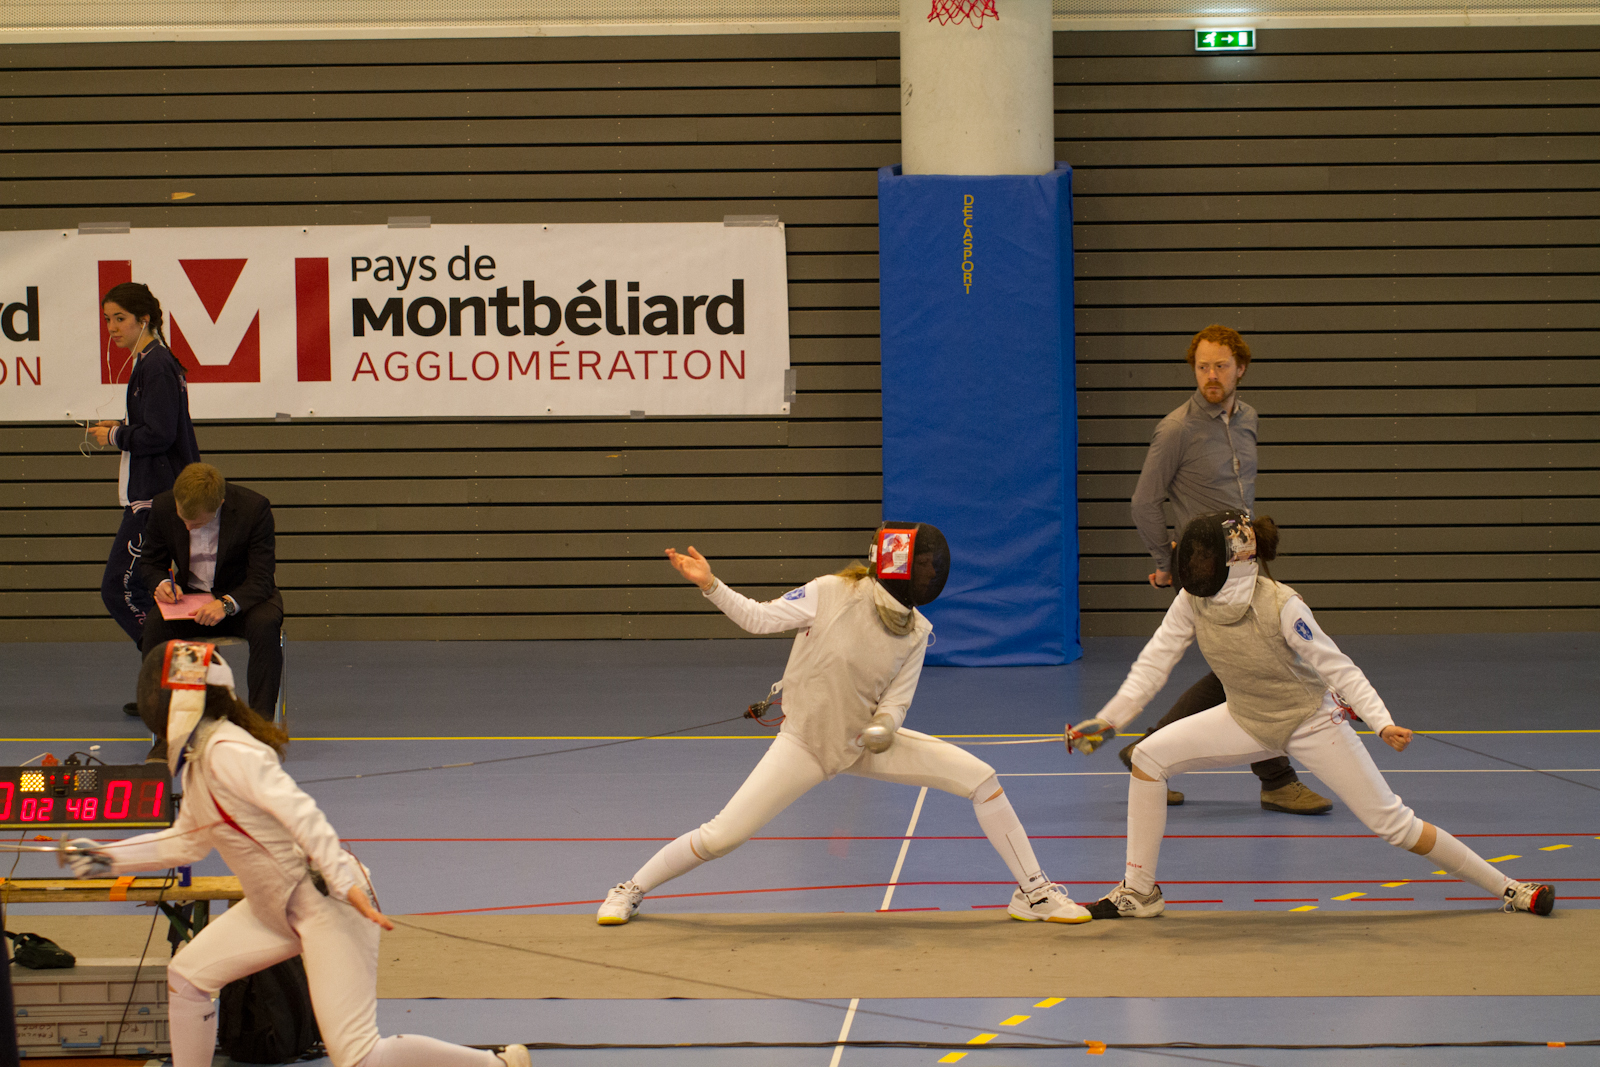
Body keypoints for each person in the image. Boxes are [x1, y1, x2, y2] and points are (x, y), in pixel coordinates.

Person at [1066, 511, 1555, 921]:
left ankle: (1510, 888)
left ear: (1235, 559)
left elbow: (1338, 667)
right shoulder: (1192, 601)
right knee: (1148, 758)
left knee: (1394, 824)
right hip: (1246, 719)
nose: (1195, 566)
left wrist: (1380, 721)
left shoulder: (1282, 605)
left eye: (1204, 556)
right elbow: (1155, 662)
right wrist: (1110, 720)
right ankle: (1139, 892)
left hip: (1310, 723)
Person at [61, 641, 531, 1067]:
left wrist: (343, 880)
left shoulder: (231, 751)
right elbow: (188, 842)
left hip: (329, 904)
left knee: (359, 1057)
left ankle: (498, 1065)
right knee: (187, 977)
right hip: (273, 909)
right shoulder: (201, 760)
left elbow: (301, 813)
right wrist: (106, 858)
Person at [596, 523, 1091, 925]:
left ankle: (1034, 893)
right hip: (805, 745)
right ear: (898, 565)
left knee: (982, 779)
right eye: (922, 562)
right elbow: (759, 619)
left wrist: (885, 727)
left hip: (863, 743)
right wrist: (711, 584)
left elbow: (896, 702)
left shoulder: (917, 631)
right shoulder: (832, 592)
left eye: (932, 564)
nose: (931, 571)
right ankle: (630, 888)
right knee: (722, 837)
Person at [1125, 324, 1331, 815]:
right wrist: (1167, 563)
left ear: (1240, 368)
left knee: (1236, 669)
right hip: (1208, 571)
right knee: (1258, 665)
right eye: (1202, 367)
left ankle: (1147, 749)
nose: (1211, 375)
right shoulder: (1176, 429)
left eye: (1220, 366)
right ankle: (1277, 780)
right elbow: (1144, 502)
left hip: (1244, 564)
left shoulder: (1248, 419)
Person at [89, 282, 200, 714]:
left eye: (120, 319)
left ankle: (177, 674)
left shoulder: (155, 365)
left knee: (121, 588)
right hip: (156, 494)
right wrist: (121, 427)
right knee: (156, 592)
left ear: (144, 319)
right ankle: (174, 686)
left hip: (156, 499)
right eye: (107, 320)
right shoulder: (152, 363)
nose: (112, 328)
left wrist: (116, 435)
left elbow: (160, 434)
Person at [139, 463, 284, 723]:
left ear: (220, 504)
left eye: (195, 523)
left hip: (244, 598)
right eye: (182, 519)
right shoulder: (162, 506)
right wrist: (161, 583)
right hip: (190, 598)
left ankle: (260, 724)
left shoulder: (254, 509)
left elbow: (262, 578)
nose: (187, 528)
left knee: (266, 626)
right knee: (155, 627)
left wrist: (226, 604)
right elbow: (150, 562)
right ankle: (166, 722)